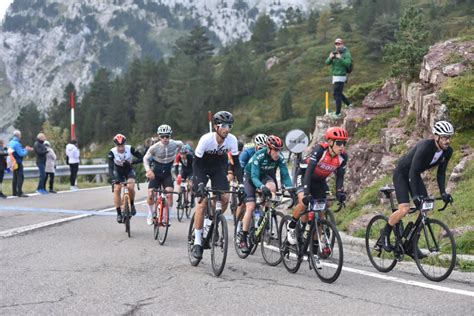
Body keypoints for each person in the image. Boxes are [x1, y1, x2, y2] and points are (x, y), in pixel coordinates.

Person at [380, 121, 454, 257]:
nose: (447, 140)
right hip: (403, 173)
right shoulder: (425, 147)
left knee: (425, 208)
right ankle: (385, 234)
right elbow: (412, 171)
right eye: (444, 137)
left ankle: (411, 246)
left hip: (415, 175)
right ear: (436, 136)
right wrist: (415, 196)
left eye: (449, 137)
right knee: (405, 209)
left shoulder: (447, 152)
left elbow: (441, 173)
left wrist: (443, 193)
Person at [190, 111, 244, 260]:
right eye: (224, 126)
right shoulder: (206, 140)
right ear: (216, 127)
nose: (227, 129)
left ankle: (211, 221)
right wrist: (199, 183)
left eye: (230, 126)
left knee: (225, 198)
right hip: (201, 168)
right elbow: (196, 164)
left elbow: (237, 165)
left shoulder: (232, 140)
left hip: (217, 168)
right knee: (202, 203)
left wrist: (241, 184)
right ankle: (197, 242)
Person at [286, 127, 349, 245]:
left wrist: (339, 192)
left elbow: (340, 177)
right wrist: (306, 193)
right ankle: (292, 226)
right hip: (304, 175)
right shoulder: (320, 150)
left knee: (319, 215)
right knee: (303, 202)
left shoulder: (343, 157)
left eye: (344, 143)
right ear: (330, 142)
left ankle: (316, 247)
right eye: (339, 143)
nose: (342, 146)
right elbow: (309, 171)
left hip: (319, 181)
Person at [238, 135, 293, 253]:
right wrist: (261, 187)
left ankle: (263, 218)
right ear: (269, 149)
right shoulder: (259, 155)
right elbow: (254, 176)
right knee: (251, 206)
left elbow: (285, 175)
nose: (278, 153)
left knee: (272, 188)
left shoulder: (280, 157)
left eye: (279, 150)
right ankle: (243, 237)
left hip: (266, 176)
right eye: (275, 150)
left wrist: (290, 188)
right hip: (251, 177)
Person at [143, 124, 183, 226]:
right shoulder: (154, 147)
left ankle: (167, 216)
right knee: (151, 193)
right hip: (156, 173)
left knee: (169, 194)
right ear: (159, 136)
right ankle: (150, 214)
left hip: (167, 174)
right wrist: (148, 171)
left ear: (170, 136)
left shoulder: (175, 144)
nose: (165, 139)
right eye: (162, 136)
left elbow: (181, 145)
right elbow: (145, 159)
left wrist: (175, 154)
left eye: (167, 136)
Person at [108, 134, 143, 223]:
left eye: (122, 145)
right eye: (119, 146)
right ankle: (119, 213)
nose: (121, 148)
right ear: (116, 145)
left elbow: (141, 158)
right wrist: (112, 178)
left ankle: (131, 204)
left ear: (125, 144)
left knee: (131, 187)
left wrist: (132, 162)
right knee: (117, 189)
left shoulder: (130, 148)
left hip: (128, 170)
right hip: (118, 171)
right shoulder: (112, 152)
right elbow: (110, 167)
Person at [325, 38, 352, 117]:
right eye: (336, 44)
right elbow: (326, 63)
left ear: (342, 44)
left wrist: (340, 59)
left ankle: (338, 113)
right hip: (335, 76)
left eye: (339, 44)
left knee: (337, 94)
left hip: (341, 76)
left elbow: (348, 64)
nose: (338, 46)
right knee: (338, 93)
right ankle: (349, 104)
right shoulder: (334, 53)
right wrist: (330, 58)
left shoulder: (346, 54)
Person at [8, 130, 33, 197]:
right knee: (20, 177)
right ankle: (20, 192)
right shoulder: (17, 143)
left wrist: (24, 149)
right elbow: (21, 154)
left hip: (13, 162)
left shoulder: (11, 142)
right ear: (18, 135)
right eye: (20, 135)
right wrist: (27, 150)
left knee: (15, 177)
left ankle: (14, 192)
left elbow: (18, 151)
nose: (21, 136)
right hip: (18, 162)